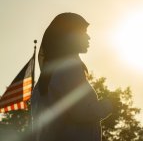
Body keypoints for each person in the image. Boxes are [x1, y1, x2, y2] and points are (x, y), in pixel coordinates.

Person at [31, 13, 112, 141]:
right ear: (69, 36)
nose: (88, 37)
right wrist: (109, 104)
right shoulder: (69, 69)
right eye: (83, 32)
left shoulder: (48, 75)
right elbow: (81, 111)